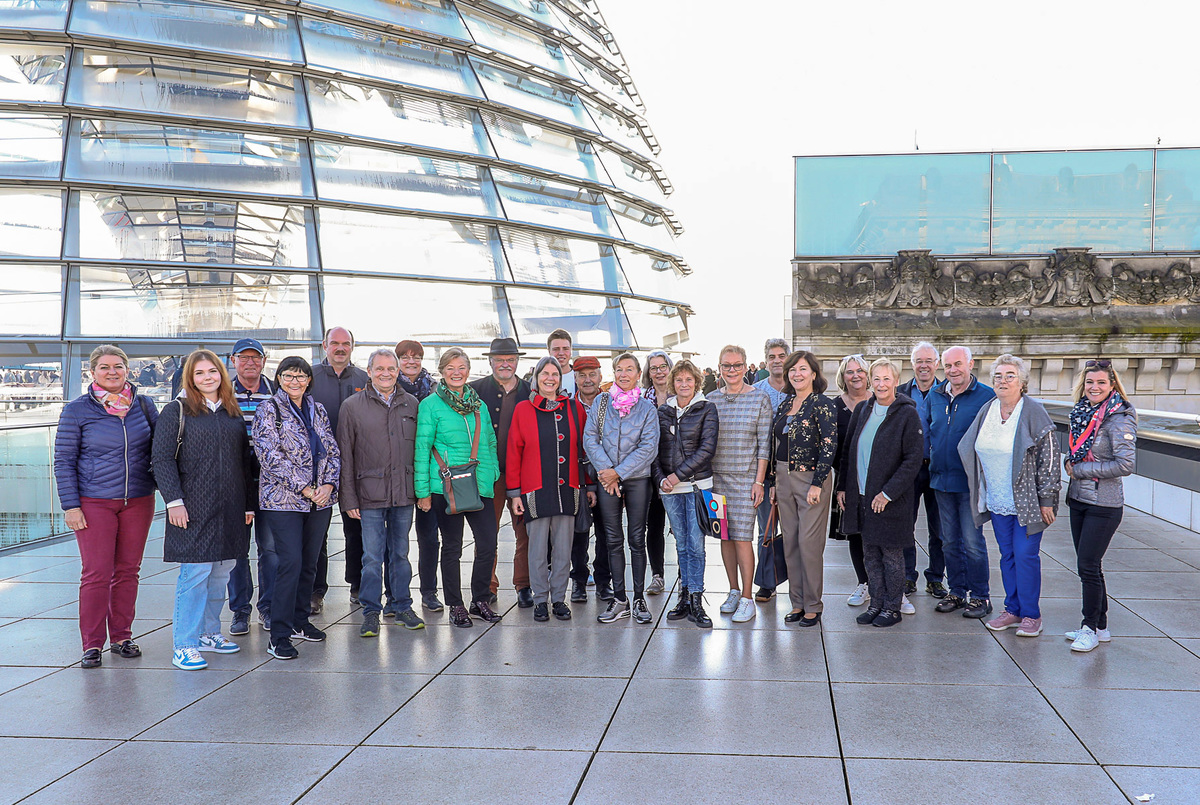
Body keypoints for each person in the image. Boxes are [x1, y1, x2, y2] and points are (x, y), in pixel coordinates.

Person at [54, 345, 158, 669]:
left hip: (138, 500)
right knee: (97, 573)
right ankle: (92, 644)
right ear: (92, 372)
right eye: (104, 367)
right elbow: (63, 461)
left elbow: (162, 449)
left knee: (128, 571)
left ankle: (122, 637)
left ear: (128, 370)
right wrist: (71, 506)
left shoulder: (144, 405)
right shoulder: (77, 411)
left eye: (118, 366)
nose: (112, 372)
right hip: (94, 502)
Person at [152, 350, 255, 670]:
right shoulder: (176, 411)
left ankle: (210, 632)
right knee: (195, 574)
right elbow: (161, 459)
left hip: (230, 507)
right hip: (192, 507)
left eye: (213, 371)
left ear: (221, 375)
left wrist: (248, 504)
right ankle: (184, 642)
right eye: (200, 373)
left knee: (220, 573)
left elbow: (244, 462)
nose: (207, 377)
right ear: (190, 378)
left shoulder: (231, 411)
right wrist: (174, 501)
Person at [959, 355, 1060, 639]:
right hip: (998, 498)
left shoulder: (1033, 412)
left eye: (1010, 376)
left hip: (1028, 501)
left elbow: (1050, 457)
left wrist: (1048, 499)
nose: (1003, 381)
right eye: (998, 376)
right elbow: (968, 445)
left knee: (1026, 555)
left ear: (1022, 381)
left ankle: (1031, 614)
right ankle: (1012, 609)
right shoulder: (988, 409)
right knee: (1007, 555)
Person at [253, 357, 341, 660]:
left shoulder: (317, 409)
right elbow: (269, 455)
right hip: (284, 500)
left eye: (301, 376)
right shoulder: (269, 409)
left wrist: (328, 485)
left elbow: (332, 449)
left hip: (319, 501)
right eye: (289, 376)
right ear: (279, 378)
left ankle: (301, 621)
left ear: (309, 380)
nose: (295, 381)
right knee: (288, 562)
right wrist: (305, 487)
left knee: (310, 561)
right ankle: (279, 634)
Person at [337, 348, 424, 638]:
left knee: (400, 553)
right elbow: (344, 457)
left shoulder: (412, 404)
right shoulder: (352, 406)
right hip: (368, 495)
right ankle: (371, 611)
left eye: (391, 369)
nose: (386, 373)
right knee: (372, 557)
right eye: (380, 369)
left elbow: (421, 452)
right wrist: (348, 498)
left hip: (403, 495)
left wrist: (420, 491)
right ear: (369, 371)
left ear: (398, 372)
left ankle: (401, 606)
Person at [415, 348, 502, 628]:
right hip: (446, 486)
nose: (457, 372)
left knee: (488, 544)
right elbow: (422, 448)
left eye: (462, 367)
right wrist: (423, 491)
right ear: (442, 371)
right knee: (452, 547)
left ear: (468, 370)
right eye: (451, 367)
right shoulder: (430, 405)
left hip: (478, 484)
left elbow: (489, 439)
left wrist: (493, 471)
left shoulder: (479, 405)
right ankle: (456, 604)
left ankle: (480, 600)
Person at [838, 359, 925, 628]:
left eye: (887, 379)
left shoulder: (906, 414)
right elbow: (848, 451)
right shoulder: (863, 409)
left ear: (896, 381)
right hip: (862, 496)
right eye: (876, 378)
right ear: (869, 381)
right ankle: (876, 603)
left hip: (889, 500)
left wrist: (887, 493)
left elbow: (913, 459)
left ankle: (892, 607)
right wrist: (843, 486)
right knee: (870, 554)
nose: (881, 384)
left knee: (891, 555)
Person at [507, 357, 593, 622]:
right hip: (535, 490)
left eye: (555, 374)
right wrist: (514, 493)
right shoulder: (523, 409)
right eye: (545, 373)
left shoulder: (573, 408)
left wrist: (588, 485)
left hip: (568, 489)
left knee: (563, 548)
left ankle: (559, 599)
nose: (550, 378)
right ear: (536, 378)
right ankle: (540, 600)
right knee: (536, 549)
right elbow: (513, 451)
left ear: (560, 378)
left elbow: (583, 449)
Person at [1063, 359, 1136, 652]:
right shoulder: (1081, 412)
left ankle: (1089, 627)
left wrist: (1078, 470)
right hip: (1079, 498)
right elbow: (1074, 452)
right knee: (1090, 567)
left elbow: (1126, 464)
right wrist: (1069, 463)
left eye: (1101, 383)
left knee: (1088, 566)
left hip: (1104, 504)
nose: (1095, 387)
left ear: (1112, 385)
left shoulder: (1119, 418)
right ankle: (1101, 627)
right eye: (1090, 382)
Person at [584, 352, 660, 624]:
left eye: (630, 369)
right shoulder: (602, 402)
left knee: (637, 539)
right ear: (613, 373)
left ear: (639, 374)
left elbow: (649, 447)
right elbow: (590, 438)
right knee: (612, 539)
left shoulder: (647, 408)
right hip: (607, 479)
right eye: (619, 369)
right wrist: (608, 473)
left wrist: (618, 472)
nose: (624, 374)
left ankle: (638, 598)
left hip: (637, 478)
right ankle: (620, 599)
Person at [926, 345, 996, 619]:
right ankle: (957, 591)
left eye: (958, 364)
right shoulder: (935, 395)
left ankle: (980, 596)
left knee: (972, 542)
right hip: (941, 481)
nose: (953, 370)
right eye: (948, 366)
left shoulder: (986, 396)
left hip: (969, 483)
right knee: (948, 542)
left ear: (970, 364)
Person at [770, 351, 836, 627]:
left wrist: (817, 483)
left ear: (813, 373)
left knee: (809, 544)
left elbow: (829, 445)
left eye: (802, 369)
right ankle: (796, 602)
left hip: (811, 479)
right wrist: (774, 481)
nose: (797, 374)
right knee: (790, 543)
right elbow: (775, 446)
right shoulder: (785, 404)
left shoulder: (822, 404)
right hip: (784, 477)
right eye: (792, 370)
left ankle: (813, 604)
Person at [708, 345, 772, 623]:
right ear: (719, 368)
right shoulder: (711, 399)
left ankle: (747, 597)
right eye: (726, 365)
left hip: (747, 479)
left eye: (736, 365)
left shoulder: (760, 399)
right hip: (716, 479)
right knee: (725, 537)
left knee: (743, 538)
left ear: (746, 367)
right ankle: (732, 589)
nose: (731, 370)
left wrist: (759, 481)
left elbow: (764, 445)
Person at [652, 359, 717, 628]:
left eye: (689, 380)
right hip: (669, 489)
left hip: (697, 487)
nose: (684, 384)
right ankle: (683, 597)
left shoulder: (707, 409)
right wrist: (660, 479)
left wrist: (676, 475)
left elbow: (707, 449)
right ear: (672, 383)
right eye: (679, 380)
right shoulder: (662, 412)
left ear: (697, 382)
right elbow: (653, 450)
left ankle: (697, 599)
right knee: (680, 544)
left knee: (696, 545)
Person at [470, 337, 533, 608]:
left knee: (526, 531)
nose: (505, 364)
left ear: (517, 361)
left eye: (510, 359)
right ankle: (487, 585)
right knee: (487, 533)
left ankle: (525, 585)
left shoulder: (531, 391)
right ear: (490, 362)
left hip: (524, 474)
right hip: (489, 474)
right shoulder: (474, 390)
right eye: (499, 360)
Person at [309, 326, 367, 615]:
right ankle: (315, 591)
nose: (340, 348)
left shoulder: (364, 379)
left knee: (356, 530)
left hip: (355, 468)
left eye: (346, 343)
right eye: (335, 343)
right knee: (317, 534)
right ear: (324, 345)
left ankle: (357, 585)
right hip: (316, 470)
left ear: (352, 347)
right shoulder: (310, 377)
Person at [224, 338, 277, 637]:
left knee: (270, 549)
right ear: (233, 361)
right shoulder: (222, 394)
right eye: (243, 358)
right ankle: (240, 611)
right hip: (234, 482)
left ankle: (267, 608)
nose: (250, 363)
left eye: (255, 357)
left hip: (269, 482)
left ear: (263, 361)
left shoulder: (276, 393)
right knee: (238, 551)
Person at [396, 339, 442, 612]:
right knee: (398, 540)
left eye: (416, 357)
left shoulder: (435, 389)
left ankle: (429, 591)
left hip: (428, 471)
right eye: (405, 357)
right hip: (399, 470)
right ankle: (396, 594)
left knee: (429, 537)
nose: (411, 361)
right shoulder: (389, 387)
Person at [898, 341, 946, 599]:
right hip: (909, 470)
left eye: (929, 361)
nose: (924, 365)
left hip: (939, 470)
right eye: (919, 361)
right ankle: (907, 575)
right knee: (906, 525)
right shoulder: (900, 393)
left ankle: (936, 578)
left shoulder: (948, 392)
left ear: (936, 364)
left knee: (939, 529)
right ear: (912, 363)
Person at [830, 354, 873, 607]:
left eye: (860, 371)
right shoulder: (834, 406)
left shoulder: (880, 401)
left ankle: (893, 585)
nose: (855, 375)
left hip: (878, 479)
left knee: (881, 532)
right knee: (856, 533)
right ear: (842, 376)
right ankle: (863, 583)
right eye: (849, 371)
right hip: (847, 478)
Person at [570, 356, 612, 603]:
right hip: (579, 479)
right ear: (575, 378)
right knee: (579, 533)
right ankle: (578, 581)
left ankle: (604, 581)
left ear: (600, 376)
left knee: (607, 533)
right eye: (582, 375)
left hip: (607, 476)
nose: (587, 380)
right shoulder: (567, 405)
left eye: (592, 374)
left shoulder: (612, 403)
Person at [753, 338, 790, 601]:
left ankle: (796, 580)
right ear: (766, 361)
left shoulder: (799, 387)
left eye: (781, 355)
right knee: (765, 529)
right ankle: (767, 582)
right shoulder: (755, 391)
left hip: (792, 472)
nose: (777, 360)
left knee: (793, 530)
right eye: (772, 356)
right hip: (764, 472)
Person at [641, 349, 675, 597]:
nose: (660, 371)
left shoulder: (684, 395)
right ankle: (657, 576)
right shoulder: (642, 399)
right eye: (654, 368)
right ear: (648, 373)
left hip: (679, 473)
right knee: (654, 525)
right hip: (650, 470)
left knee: (684, 527)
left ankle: (687, 577)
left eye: (663, 366)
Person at [547, 328, 576, 397]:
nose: (561, 353)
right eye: (556, 349)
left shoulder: (581, 378)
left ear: (571, 350)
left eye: (565, 349)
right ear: (549, 351)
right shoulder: (539, 379)